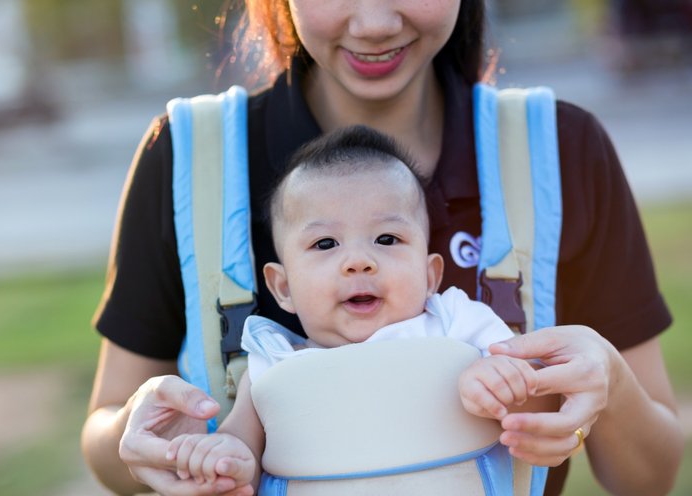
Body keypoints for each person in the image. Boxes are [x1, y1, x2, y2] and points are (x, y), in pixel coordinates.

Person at [81, 1, 683, 495]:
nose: (373, 24)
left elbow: (648, 479)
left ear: (432, 271)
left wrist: (607, 382)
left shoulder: (561, 149)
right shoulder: (187, 155)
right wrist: (148, 436)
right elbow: (106, 443)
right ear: (278, 281)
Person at [163, 124, 555, 494]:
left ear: (430, 273)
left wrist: (505, 382)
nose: (358, 261)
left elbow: (544, 397)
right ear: (283, 287)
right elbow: (241, 450)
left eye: (386, 238)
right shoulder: (274, 363)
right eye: (325, 244)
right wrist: (222, 458)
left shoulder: (456, 322)